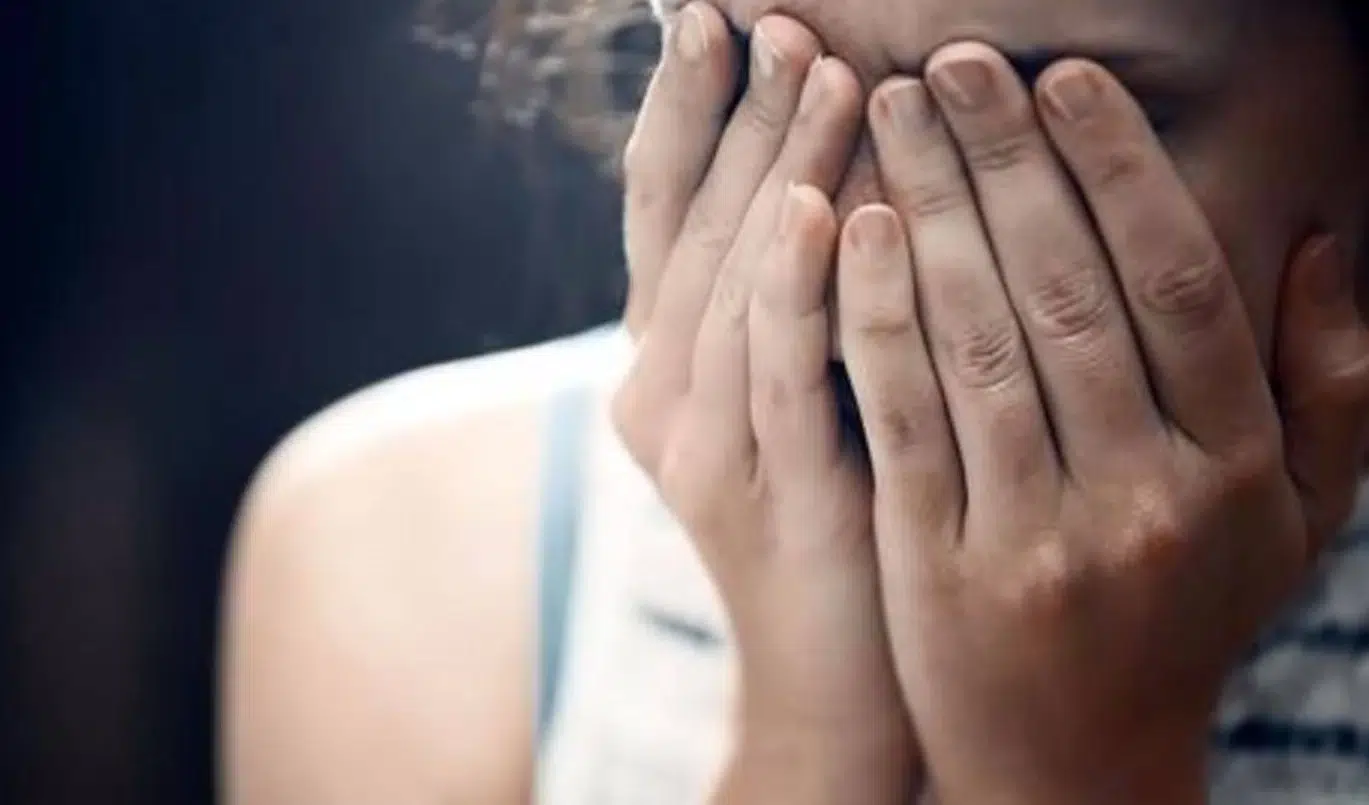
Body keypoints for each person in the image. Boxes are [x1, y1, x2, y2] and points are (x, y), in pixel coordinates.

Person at [219, 0, 1369, 802]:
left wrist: (1082, 768)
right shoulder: (408, 560)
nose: (867, 240)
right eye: (761, 80)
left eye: (1034, 110)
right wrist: (810, 743)